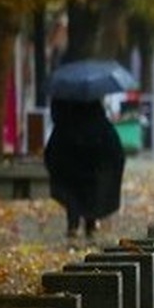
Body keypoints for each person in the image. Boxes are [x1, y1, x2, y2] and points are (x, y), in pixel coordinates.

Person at [44, 99, 127, 239]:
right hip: (92, 163)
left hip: (71, 161)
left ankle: (73, 225)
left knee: (72, 191)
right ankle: (90, 223)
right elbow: (114, 149)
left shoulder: (65, 119)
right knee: (91, 192)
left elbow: (52, 150)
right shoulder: (98, 118)